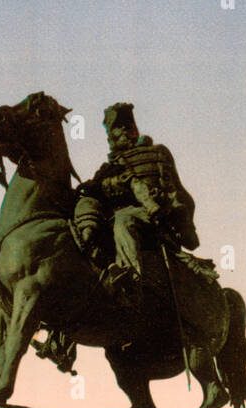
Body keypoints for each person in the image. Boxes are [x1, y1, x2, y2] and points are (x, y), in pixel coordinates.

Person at [74, 102, 199, 303]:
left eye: (127, 125)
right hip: (117, 223)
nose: (124, 130)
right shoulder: (109, 167)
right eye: (118, 127)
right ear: (110, 136)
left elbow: (179, 193)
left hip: (153, 217)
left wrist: (182, 223)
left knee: (124, 219)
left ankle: (132, 280)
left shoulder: (157, 153)